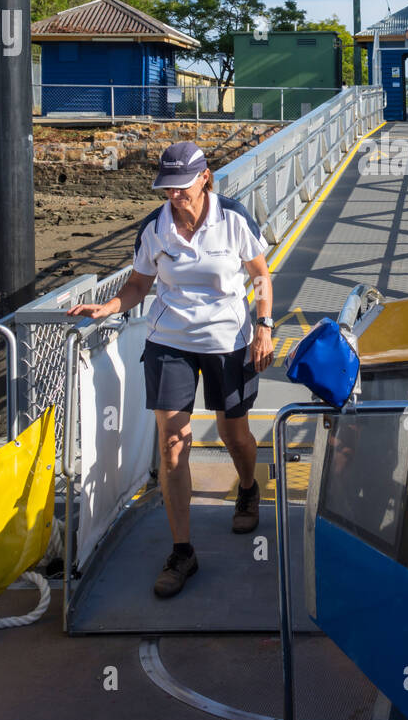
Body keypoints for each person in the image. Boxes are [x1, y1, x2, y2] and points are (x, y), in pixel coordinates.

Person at [69, 142, 274, 597]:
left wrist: (264, 326)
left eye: (182, 186)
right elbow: (140, 283)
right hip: (170, 342)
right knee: (172, 444)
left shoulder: (234, 217)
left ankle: (246, 487)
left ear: (205, 178)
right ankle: (183, 551)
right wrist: (110, 306)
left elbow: (260, 274)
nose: (174, 196)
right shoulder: (154, 229)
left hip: (229, 340)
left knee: (233, 433)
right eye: (167, 188)